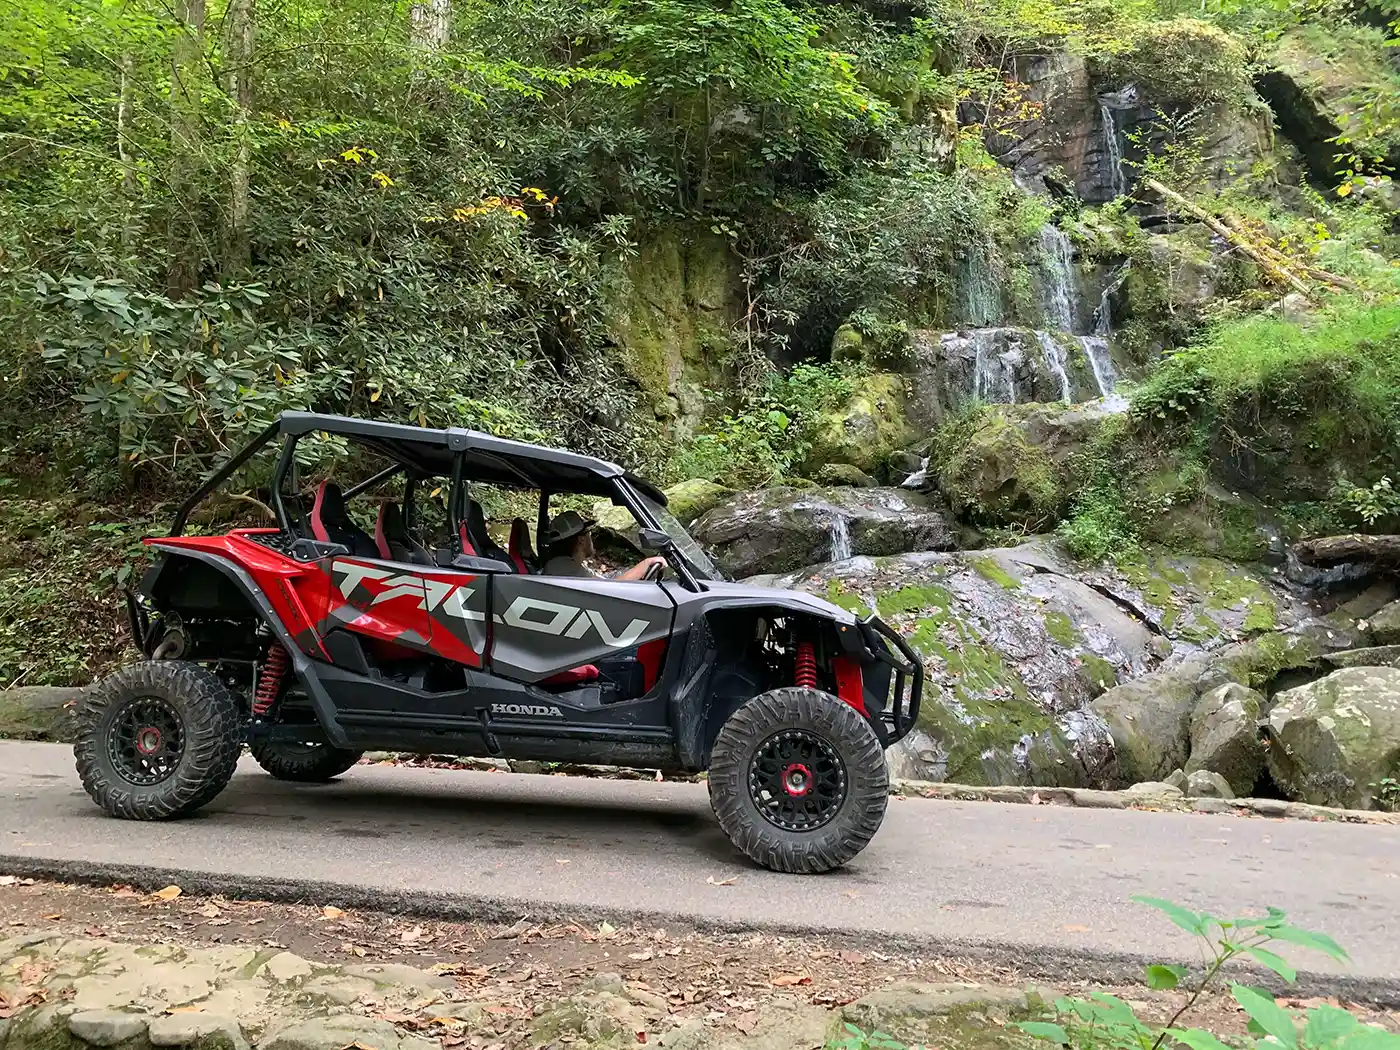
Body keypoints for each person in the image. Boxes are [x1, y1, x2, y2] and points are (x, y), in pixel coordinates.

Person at [541, 511, 667, 581]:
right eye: (588, 532)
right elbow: (612, 589)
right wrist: (646, 564)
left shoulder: (565, 565)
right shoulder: (562, 567)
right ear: (581, 540)